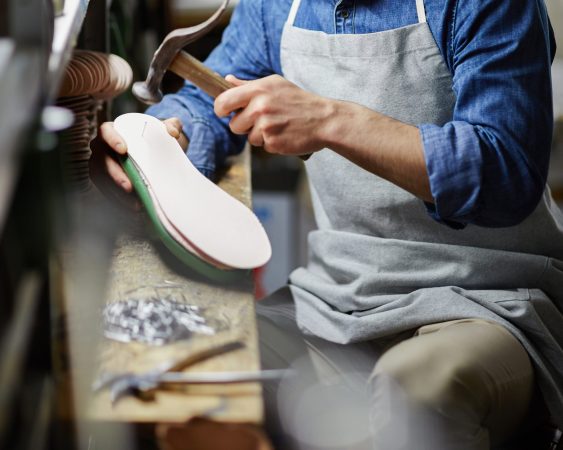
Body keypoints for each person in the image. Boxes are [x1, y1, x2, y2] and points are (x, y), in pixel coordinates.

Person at [90, 0, 563, 448]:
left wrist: (330, 119)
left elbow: (506, 172)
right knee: (191, 376)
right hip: (338, 298)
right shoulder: (279, 7)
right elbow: (206, 101)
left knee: (416, 396)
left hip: (489, 302)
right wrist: (160, 139)